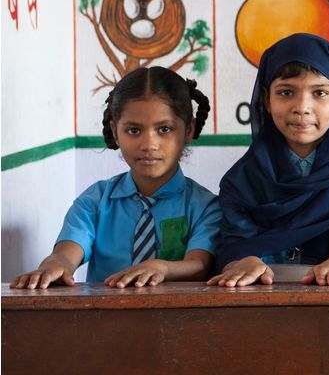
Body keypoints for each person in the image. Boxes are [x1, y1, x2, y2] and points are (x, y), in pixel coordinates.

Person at [210, 33, 329, 287]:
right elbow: (233, 246)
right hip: (261, 310)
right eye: (286, 92)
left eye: (320, 92)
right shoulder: (242, 180)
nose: (302, 107)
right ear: (266, 100)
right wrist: (244, 260)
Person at [10, 67, 219, 289]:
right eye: (134, 130)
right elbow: (66, 254)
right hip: (100, 320)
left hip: (180, 321)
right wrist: (55, 264)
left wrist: (162, 268)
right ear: (115, 130)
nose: (149, 145)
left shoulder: (205, 206)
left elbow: (199, 264)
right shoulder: (95, 201)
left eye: (164, 129)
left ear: (188, 129)